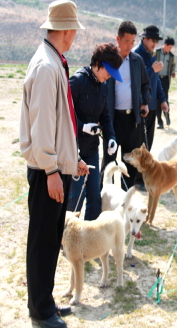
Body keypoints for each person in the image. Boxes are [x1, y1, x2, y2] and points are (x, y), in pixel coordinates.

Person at [19, 0, 89, 328]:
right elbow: (44, 125)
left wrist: (71, 161)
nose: (75, 35)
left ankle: (45, 302)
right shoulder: (47, 67)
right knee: (43, 240)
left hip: (56, 167)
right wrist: (51, 169)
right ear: (64, 30)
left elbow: (61, 124)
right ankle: (40, 310)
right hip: (47, 171)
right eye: (73, 29)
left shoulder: (54, 60)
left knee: (51, 238)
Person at [67, 43, 123, 220]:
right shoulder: (77, 81)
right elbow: (62, 113)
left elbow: (105, 116)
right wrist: (82, 126)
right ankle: (66, 239)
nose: (108, 77)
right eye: (108, 72)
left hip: (91, 150)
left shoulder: (104, 86)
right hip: (73, 150)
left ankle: (89, 236)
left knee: (94, 197)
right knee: (75, 197)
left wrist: (111, 138)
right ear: (98, 63)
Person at [99, 21, 151, 191]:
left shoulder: (136, 61)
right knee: (108, 161)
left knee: (130, 164)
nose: (129, 45)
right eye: (126, 41)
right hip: (112, 120)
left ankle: (125, 201)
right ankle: (101, 198)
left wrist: (145, 102)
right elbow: (98, 87)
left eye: (132, 42)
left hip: (132, 120)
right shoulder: (108, 61)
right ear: (118, 39)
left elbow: (145, 85)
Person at [133, 25, 169, 151]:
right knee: (139, 148)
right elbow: (136, 80)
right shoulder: (136, 55)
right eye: (152, 40)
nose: (155, 44)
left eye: (157, 41)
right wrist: (152, 69)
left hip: (152, 106)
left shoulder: (152, 55)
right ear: (145, 39)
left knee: (148, 147)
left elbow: (156, 80)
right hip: (141, 107)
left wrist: (163, 99)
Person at [155, 36, 176, 129]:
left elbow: (173, 65)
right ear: (165, 45)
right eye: (170, 47)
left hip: (165, 80)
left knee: (165, 99)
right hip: (156, 79)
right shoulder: (156, 53)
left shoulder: (171, 56)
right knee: (157, 101)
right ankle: (159, 121)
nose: (170, 49)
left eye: (171, 48)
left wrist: (173, 72)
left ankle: (167, 116)